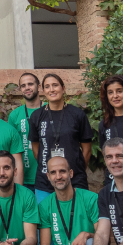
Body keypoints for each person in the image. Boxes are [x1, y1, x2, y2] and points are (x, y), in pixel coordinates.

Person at [28, 73, 94, 203]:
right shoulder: (37, 116)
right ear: (43, 91)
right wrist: (46, 164)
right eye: (47, 86)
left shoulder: (77, 114)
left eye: (55, 85)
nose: (51, 89)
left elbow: (87, 149)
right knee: (46, 214)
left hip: (75, 179)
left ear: (63, 88)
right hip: (45, 180)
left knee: (77, 214)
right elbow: (36, 148)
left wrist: (77, 169)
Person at [8, 72, 44, 189]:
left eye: (30, 84)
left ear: (39, 86)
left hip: (48, 177)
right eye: (23, 86)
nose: (27, 88)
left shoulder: (49, 110)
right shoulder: (15, 115)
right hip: (23, 178)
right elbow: (11, 147)